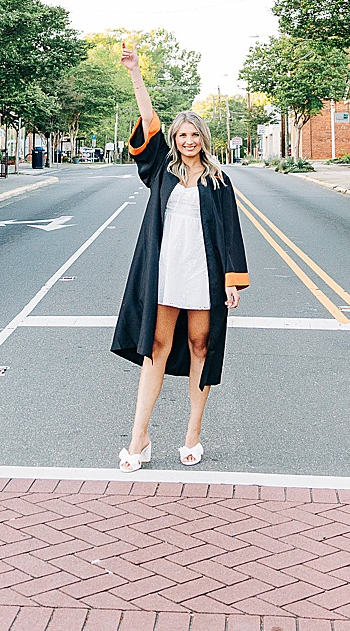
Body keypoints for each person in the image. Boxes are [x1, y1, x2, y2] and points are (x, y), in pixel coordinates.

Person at [111, 42, 249, 470]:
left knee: (200, 347)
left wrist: (232, 279)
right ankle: (139, 437)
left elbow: (230, 233)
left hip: (204, 274)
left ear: (204, 140)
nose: (188, 141)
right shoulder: (161, 171)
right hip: (165, 271)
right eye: (182, 135)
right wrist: (136, 74)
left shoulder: (218, 181)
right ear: (174, 139)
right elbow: (148, 121)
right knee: (155, 345)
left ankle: (193, 433)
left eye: (194, 135)